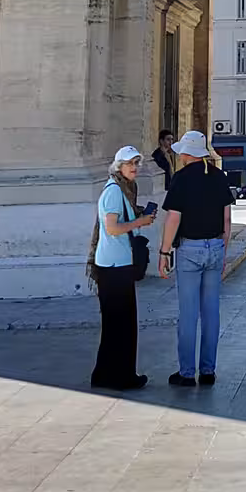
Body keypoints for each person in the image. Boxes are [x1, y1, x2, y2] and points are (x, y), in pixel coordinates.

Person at [158, 130, 233, 388]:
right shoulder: (219, 177)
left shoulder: (181, 179)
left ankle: (187, 373)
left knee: (188, 314)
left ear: (187, 153)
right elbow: (226, 219)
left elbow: (173, 218)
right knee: (211, 312)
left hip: (190, 249)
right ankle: (208, 370)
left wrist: (164, 251)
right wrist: (223, 249)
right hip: (214, 247)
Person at [90, 146, 158, 392]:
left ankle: (105, 374)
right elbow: (112, 228)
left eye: (137, 163)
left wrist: (139, 216)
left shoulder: (122, 190)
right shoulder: (114, 192)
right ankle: (120, 377)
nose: (135, 168)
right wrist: (140, 222)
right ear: (119, 166)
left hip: (117, 265)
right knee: (121, 325)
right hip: (114, 267)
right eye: (130, 163)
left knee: (116, 324)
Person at [151, 129, 176, 203]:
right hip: (163, 187)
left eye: (172, 139)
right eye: (168, 139)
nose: (171, 142)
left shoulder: (169, 154)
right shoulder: (157, 155)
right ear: (161, 141)